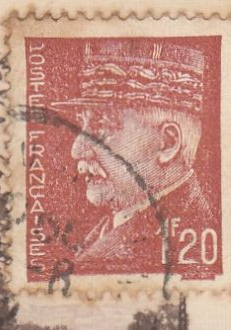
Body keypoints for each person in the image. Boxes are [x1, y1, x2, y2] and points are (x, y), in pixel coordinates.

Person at [57, 40, 217, 274]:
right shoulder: (109, 230)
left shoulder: (183, 239)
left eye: (102, 126)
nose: (77, 149)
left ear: (168, 143)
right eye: (82, 123)